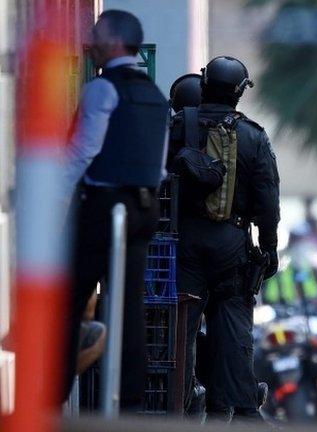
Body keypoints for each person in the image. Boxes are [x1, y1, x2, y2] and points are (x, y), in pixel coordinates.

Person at [62, 10, 168, 409]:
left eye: (96, 37)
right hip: (143, 209)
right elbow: (157, 166)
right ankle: (130, 402)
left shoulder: (102, 89)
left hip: (106, 207)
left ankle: (50, 391)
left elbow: (84, 149)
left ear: (114, 43)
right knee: (128, 306)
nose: (90, 44)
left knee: (69, 299)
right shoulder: (155, 97)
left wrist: (50, 196)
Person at [168, 55, 279, 423]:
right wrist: (269, 247)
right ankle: (232, 411)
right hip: (232, 241)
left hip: (183, 240)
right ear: (239, 92)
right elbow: (268, 201)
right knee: (232, 325)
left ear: (204, 84)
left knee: (181, 326)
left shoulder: (178, 126)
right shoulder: (253, 135)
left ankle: (178, 405)